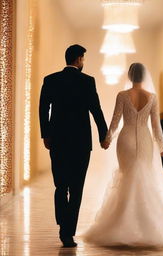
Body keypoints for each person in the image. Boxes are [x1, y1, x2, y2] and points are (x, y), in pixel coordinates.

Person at [83, 63, 163, 247]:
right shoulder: (152, 97)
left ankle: (121, 224)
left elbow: (115, 121)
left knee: (127, 176)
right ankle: (148, 226)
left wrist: (107, 139)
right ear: (144, 76)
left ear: (130, 76)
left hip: (126, 139)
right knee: (143, 177)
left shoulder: (122, 95)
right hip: (145, 139)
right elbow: (156, 126)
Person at [39, 44, 109, 247]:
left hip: (58, 141)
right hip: (80, 143)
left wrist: (46, 134)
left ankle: (63, 221)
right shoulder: (87, 81)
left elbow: (43, 109)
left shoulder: (51, 80)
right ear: (78, 60)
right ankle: (68, 232)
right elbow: (96, 110)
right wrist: (103, 136)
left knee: (60, 185)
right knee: (76, 188)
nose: (83, 62)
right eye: (83, 59)